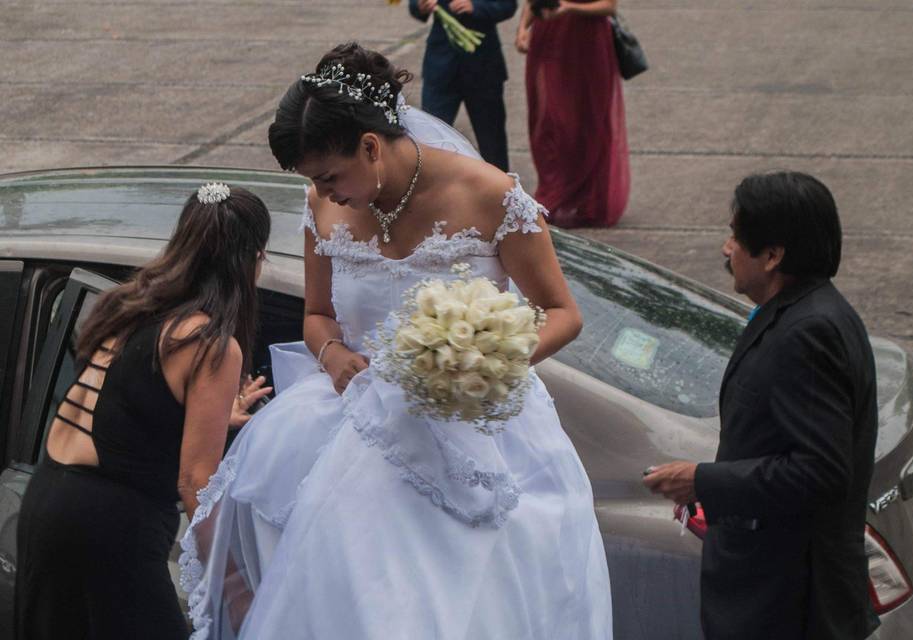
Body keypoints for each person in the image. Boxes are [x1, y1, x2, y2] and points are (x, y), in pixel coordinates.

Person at [179, 42, 612, 639]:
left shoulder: (490, 197)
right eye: (314, 182)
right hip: (351, 424)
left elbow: (561, 311)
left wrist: (483, 359)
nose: (326, 194)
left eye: (331, 177)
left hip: (478, 426)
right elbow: (316, 314)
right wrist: (332, 355)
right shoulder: (320, 206)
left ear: (369, 145)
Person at [15, 184, 273, 640]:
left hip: (46, 499)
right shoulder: (211, 343)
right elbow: (195, 482)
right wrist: (234, 585)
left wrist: (211, 415)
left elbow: (123, 401)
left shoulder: (131, 303)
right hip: (111, 526)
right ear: (251, 259)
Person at [643, 172, 881, 640]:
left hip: (788, 603)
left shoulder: (809, 334)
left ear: (773, 255)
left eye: (736, 237)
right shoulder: (802, 313)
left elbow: (820, 472)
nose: (726, 248)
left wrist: (702, 480)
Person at [516, 0, 630, 228]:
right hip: (548, 39)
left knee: (589, 123)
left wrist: (569, 7)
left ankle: (587, 199)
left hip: (587, 42)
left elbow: (608, 6)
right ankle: (553, 193)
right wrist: (522, 29)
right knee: (547, 121)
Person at [408, 0, 516, 172]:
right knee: (428, 139)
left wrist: (476, 7)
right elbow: (414, 6)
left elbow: (508, 6)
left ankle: (501, 194)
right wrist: (421, 6)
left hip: (483, 67)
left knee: (492, 144)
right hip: (440, 67)